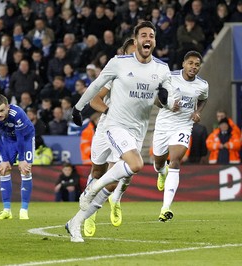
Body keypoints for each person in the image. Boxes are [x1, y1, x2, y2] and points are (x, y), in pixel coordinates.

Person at [67, 21, 180, 243]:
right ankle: (92, 188)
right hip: (115, 124)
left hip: (138, 130)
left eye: (152, 35)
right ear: (136, 40)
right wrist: (78, 107)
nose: (148, 39)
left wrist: (169, 101)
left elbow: (171, 96)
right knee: (134, 165)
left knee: (112, 183)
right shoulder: (118, 63)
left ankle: (76, 222)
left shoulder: (161, 69)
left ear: (154, 41)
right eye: (144, 35)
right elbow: (96, 86)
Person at [82, 38, 136, 237]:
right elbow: (94, 100)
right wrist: (108, 110)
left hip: (126, 130)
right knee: (97, 171)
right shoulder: (114, 75)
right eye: (130, 53)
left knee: (116, 176)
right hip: (106, 128)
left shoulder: (147, 78)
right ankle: (92, 210)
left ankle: (111, 202)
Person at [153, 50, 208, 222]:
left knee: (175, 159)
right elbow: (155, 99)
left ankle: (165, 208)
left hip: (183, 126)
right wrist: (168, 104)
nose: (194, 67)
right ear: (184, 63)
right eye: (191, 63)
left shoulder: (202, 85)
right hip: (163, 125)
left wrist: (197, 112)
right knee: (158, 163)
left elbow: (204, 99)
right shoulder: (169, 77)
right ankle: (162, 173)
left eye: (197, 64)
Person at [0, 94, 35, 220]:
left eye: (2, 110)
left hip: (26, 138)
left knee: (25, 170)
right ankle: (7, 210)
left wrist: (22, 159)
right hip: (8, 139)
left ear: (7, 107)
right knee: (4, 170)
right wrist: (5, 159)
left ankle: (24, 210)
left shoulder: (17, 113)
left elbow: (20, 137)